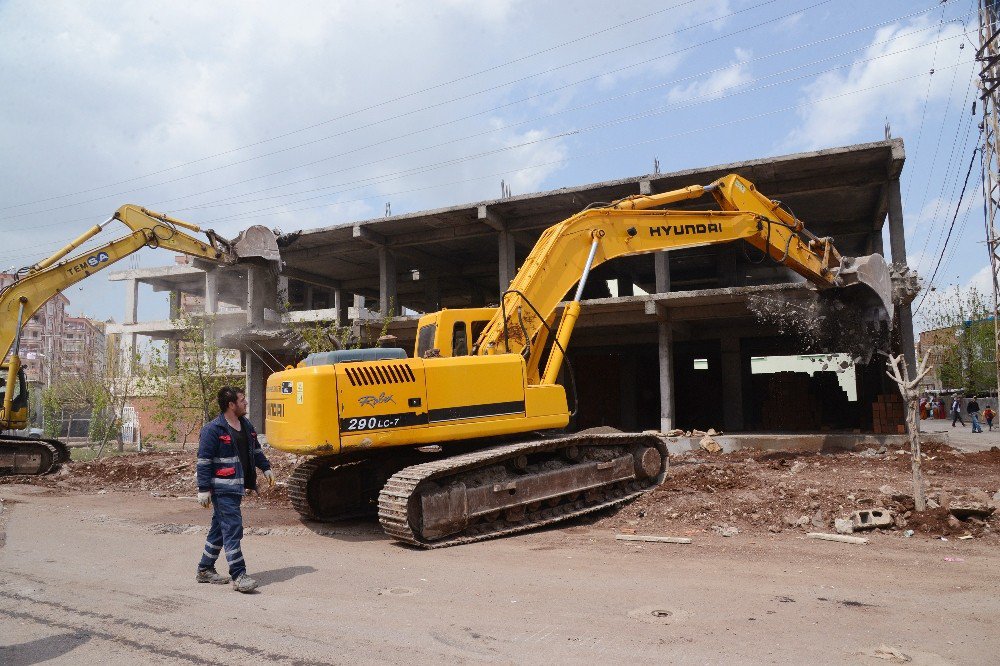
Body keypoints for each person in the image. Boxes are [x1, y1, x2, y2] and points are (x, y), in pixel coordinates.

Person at [195, 386, 274, 593]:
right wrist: (203, 489)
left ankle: (204, 569)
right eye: (242, 400)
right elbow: (204, 461)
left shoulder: (245, 425)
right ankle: (238, 574)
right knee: (232, 528)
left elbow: (255, 450)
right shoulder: (213, 429)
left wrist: (265, 468)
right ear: (231, 404)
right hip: (222, 489)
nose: (246, 403)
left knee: (219, 530)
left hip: (237, 487)